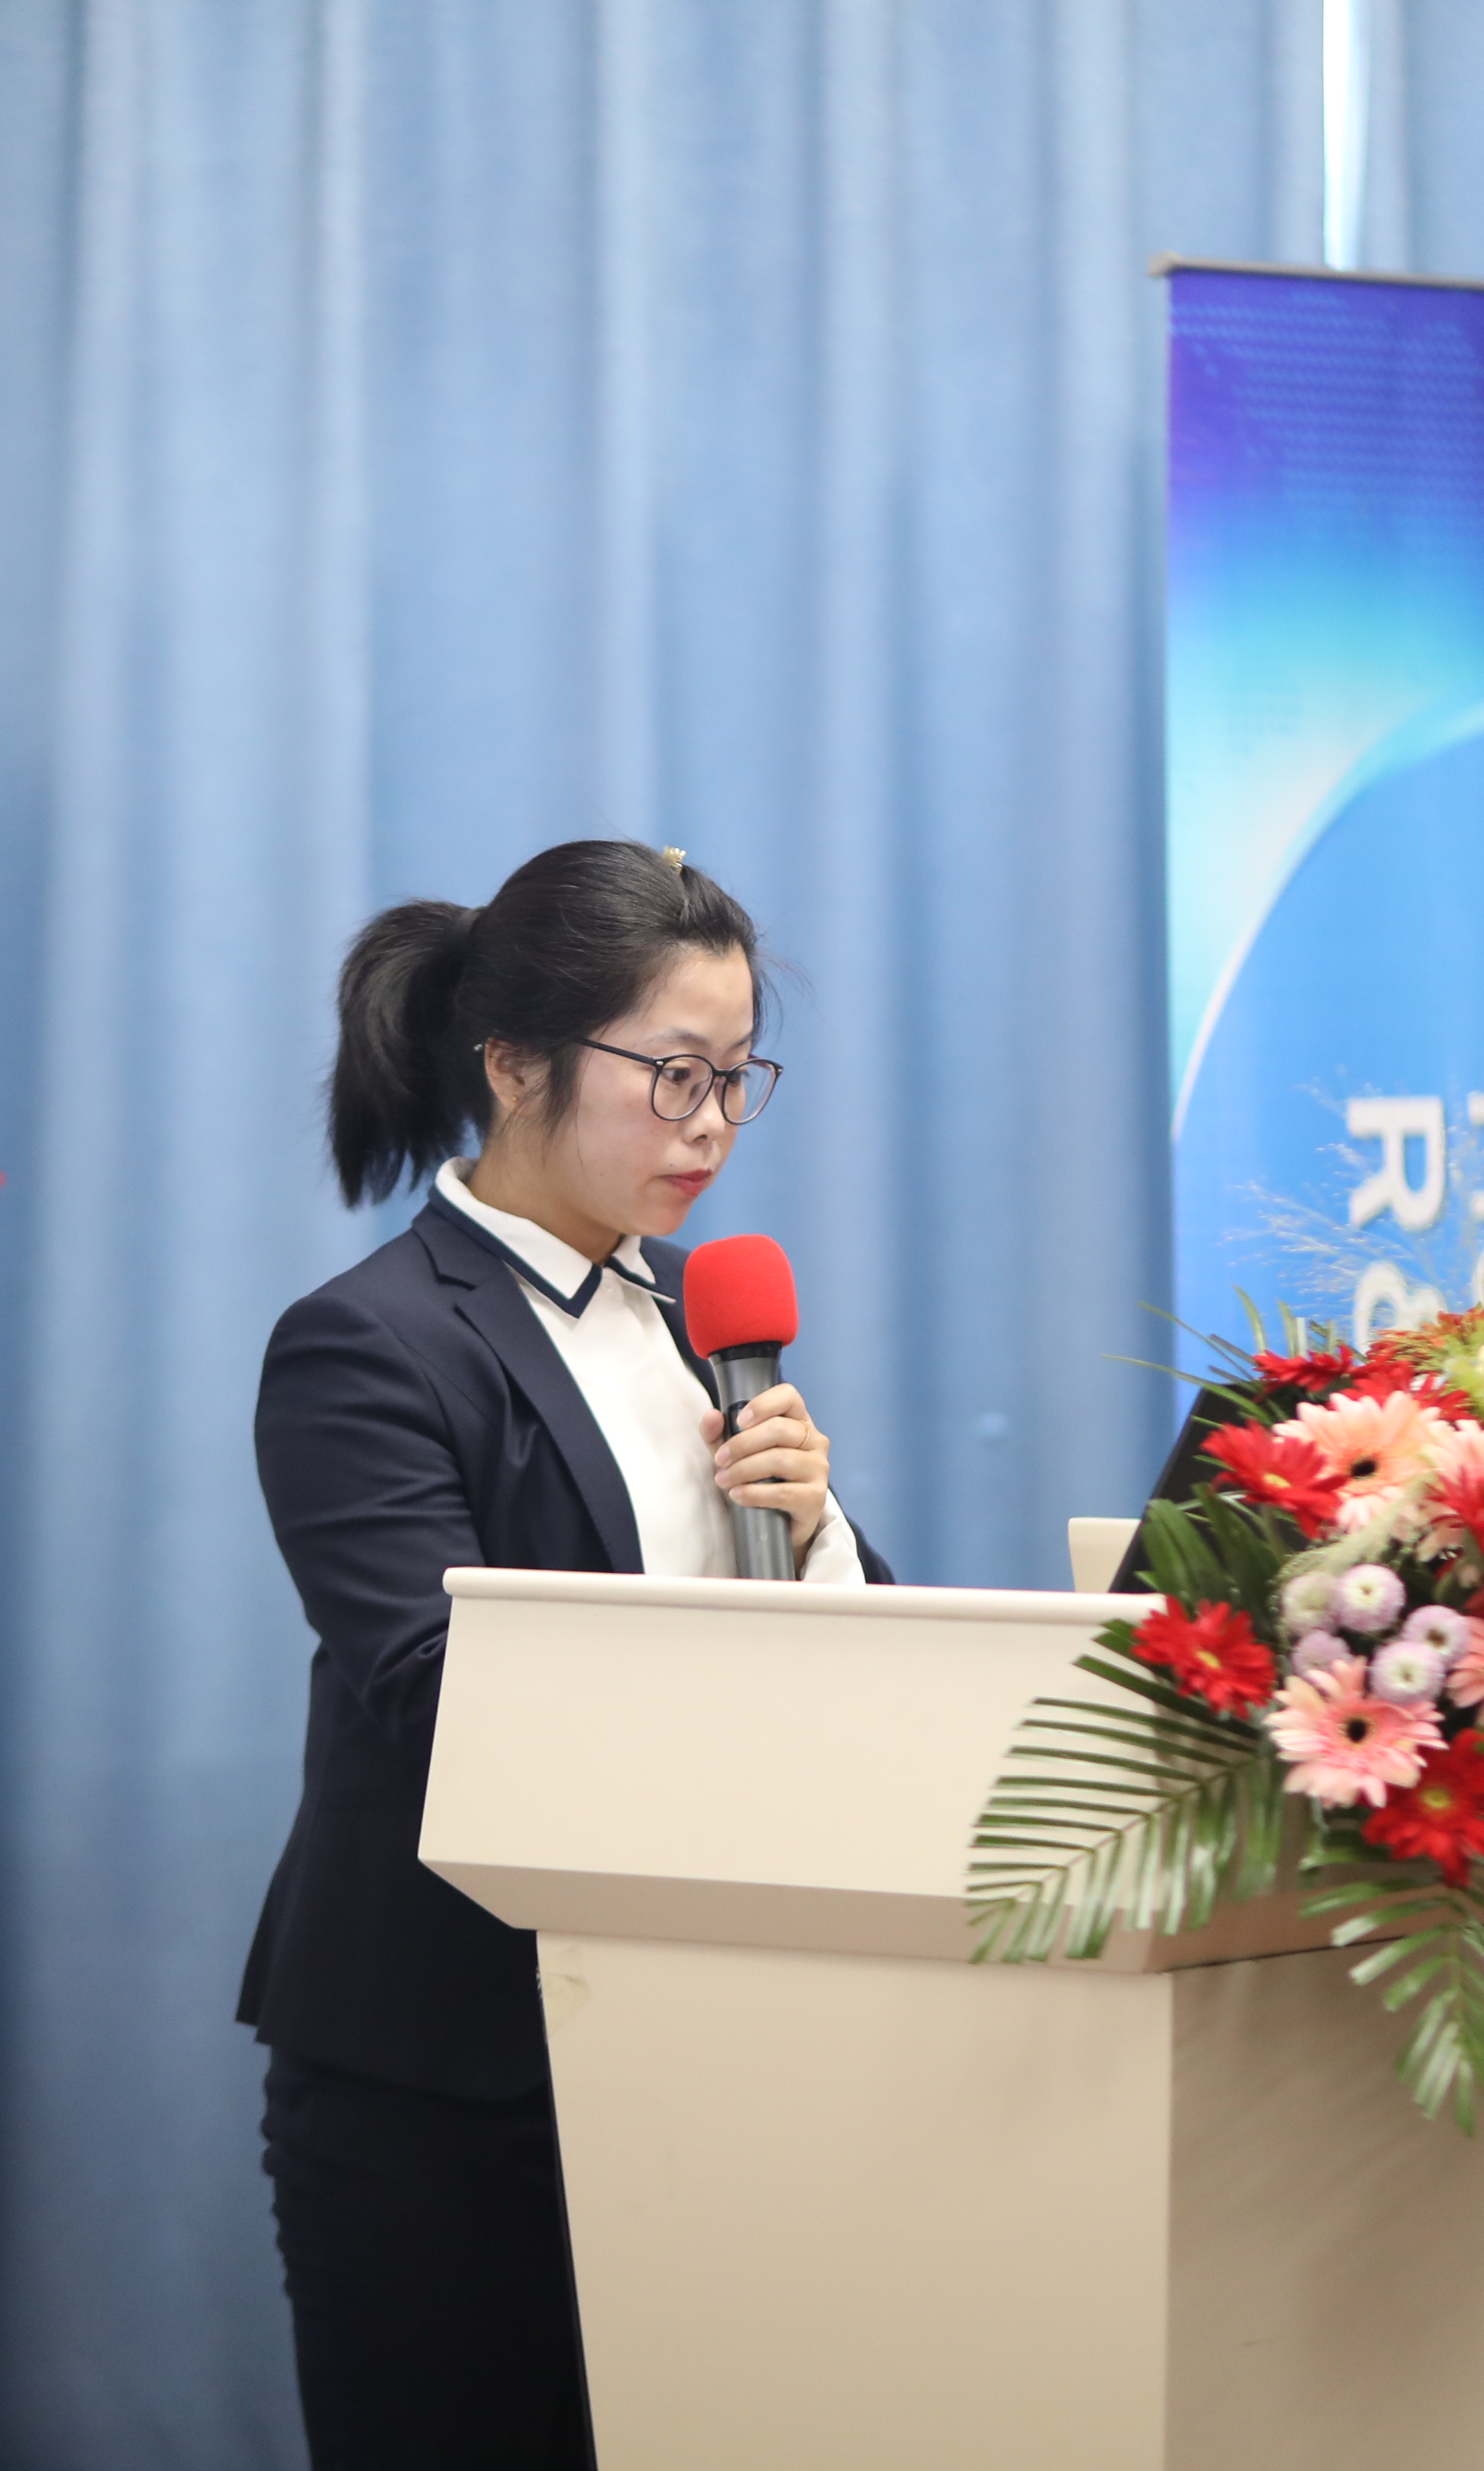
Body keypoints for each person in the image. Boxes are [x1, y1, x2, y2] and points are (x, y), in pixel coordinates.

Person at [240, 840, 888, 2471]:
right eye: (673, 1074)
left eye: (738, 1079)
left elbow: (866, 1673)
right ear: (515, 1064)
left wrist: (814, 1530)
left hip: (705, 2045)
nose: (711, 1127)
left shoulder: (703, 1320)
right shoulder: (370, 1344)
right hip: (453, 2083)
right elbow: (442, 1693)